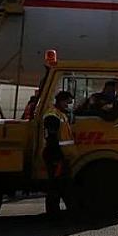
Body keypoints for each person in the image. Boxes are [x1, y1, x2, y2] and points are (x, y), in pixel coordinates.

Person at [41, 90, 73, 219]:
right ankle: (53, 213)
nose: (68, 105)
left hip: (60, 155)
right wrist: (57, 157)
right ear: (61, 101)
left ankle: (57, 212)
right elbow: (52, 138)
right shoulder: (52, 115)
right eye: (67, 102)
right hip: (55, 154)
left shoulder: (60, 114)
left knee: (60, 183)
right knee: (56, 185)